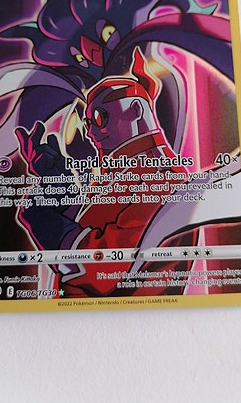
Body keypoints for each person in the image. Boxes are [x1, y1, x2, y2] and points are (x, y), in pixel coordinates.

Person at [15, 48, 193, 296]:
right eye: (87, 122)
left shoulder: (162, 175)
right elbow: (92, 225)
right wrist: (60, 189)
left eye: (100, 117)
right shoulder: (124, 172)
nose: (90, 132)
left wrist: (48, 225)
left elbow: (104, 268)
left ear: (136, 110)